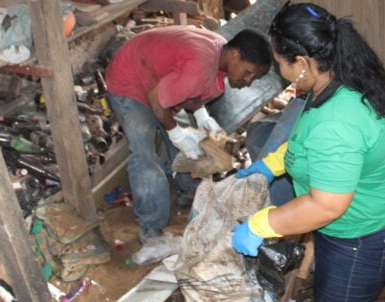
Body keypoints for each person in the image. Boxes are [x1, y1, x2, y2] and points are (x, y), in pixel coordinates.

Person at [231, 2, 385, 302]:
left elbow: (326, 205)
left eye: (282, 63)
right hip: (360, 221)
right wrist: (274, 162)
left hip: (362, 234)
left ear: (303, 61)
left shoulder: (337, 122)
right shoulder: (336, 83)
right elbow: (308, 145)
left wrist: (260, 225)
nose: (281, 71)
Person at [105, 25, 272, 265]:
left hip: (157, 79)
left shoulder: (218, 53)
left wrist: (202, 115)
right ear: (234, 55)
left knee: (192, 141)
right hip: (130, 80)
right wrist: (175, 133)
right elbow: (158, 98)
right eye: (248, 72)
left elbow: (189, 88)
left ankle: (187, 191)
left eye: (253, 77)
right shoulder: (199, 66)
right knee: (145, 157)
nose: (248, 81)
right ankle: (151, 233)